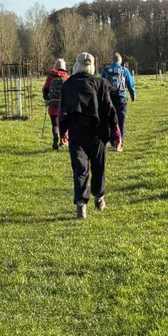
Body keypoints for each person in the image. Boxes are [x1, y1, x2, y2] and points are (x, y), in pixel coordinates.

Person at [58, 52, 121, 219]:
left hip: (77, 134)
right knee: (98, 168)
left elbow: (61, 112)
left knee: (80, 169)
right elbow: (110, 111)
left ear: (77, 66)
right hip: (97, 135)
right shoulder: (101, 84)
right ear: (92, 66)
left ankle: (81, 204)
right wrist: (116, 135)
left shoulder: (68, 85)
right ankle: (99, 198)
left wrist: (62, 132)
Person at [100, 52, 136, 146]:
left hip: (109, 98)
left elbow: (101, 84)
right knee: (121, 120)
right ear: (120, 61)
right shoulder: (124, 70)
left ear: (112, 61)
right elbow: (130, 84)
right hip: (121, 97)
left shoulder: (106, 70)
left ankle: (112, 141)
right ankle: (120, 142)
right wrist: (133, 95)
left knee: (110, 119)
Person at [41, 57, 70, 149]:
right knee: (63, 123)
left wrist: (46, 98)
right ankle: (63, 141)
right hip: (63, 104)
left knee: (54, 124)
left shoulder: (50, 76)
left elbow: (45, 89)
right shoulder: (66, 77)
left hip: (52, 103)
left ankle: (55, 138)